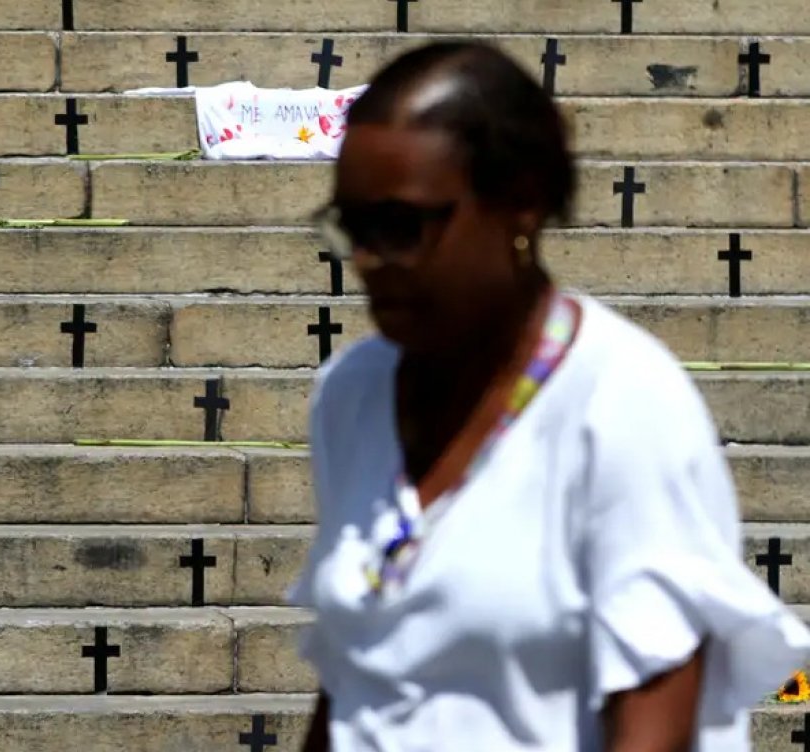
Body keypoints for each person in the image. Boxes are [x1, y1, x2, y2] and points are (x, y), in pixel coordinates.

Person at [289, 41, 810, 751]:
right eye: (353, 227)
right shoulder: (349, 394)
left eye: (403, 227)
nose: (370, 260)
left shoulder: (620, 400)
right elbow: (352, 681)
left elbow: (658, 701)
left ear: (521, 204)